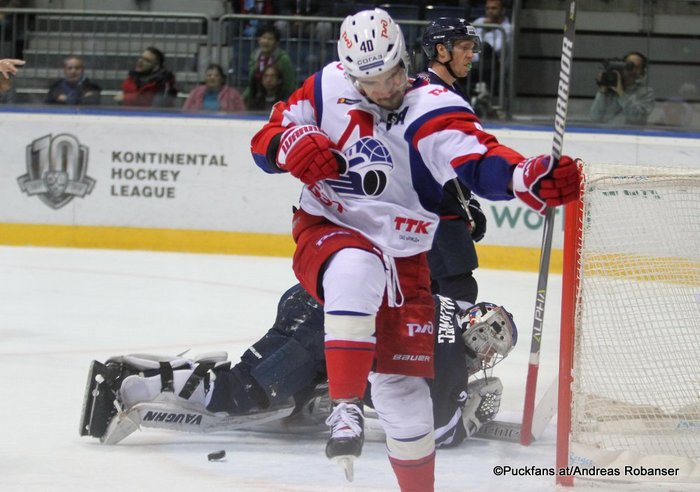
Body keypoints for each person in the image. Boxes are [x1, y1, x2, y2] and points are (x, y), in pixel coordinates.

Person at [249, 8, 580, 491]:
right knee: (354, 266)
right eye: (371, 80)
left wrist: (523, 177)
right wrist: (289, 144)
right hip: (327, 226)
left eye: (392, 73)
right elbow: (267, 138)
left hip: (405, 260)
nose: (385, 88)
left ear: (404, 57)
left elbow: (480, 159)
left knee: (404, 395)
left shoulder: (433, 107)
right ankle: (344, 409)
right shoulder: (324, 86)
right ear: (348, 71)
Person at [80, 285, 517, 453]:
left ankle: (180, 374)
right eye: (489, 349)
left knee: (297, 394)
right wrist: (469, 418)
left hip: (320, 303)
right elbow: (435, 433)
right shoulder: (448, 354)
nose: (484, 361)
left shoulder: (444, 306)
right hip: (321, 323)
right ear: (478, 335)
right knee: (247, 394)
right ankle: (134, 382)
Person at [419, 17, 488, 306]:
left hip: (441, 216)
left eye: (472, 47)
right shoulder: (426, 95)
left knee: (439, 295)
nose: (471, 55)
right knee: (457, 295)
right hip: (435, 219)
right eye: (464, 47)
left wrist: (468, 204)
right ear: (442, 51)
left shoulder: (447, 91)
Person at [589, 51, 655, 126]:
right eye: (628, 65)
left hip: (632, 135)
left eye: (636, 67)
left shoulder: (646, 92)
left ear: (642, 72)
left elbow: (637, 118)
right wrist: (603, 90)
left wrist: (621, 93)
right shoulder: (610, 89)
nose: (631, 70)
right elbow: (594, 117)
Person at [241, 25, 296, 107]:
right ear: (259, 40)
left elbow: (289, 85)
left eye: (270, 39)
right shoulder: (255, 56)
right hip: (257, 99)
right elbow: (251, 83)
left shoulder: (284, 59)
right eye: (263, 38)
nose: (266, 41)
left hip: (279, 100)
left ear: (276, 42)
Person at [114, 47, 178, 108]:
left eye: (147, 61)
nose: (140, 62)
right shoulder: (131, 79)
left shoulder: (162, 82)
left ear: (156, 67)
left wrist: (125, 98)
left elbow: (155, 104)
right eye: (141, 58)